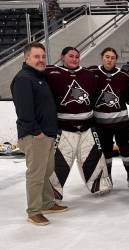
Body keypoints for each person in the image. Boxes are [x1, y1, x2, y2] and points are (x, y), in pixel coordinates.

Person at [11, 42, 67, 226]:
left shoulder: (39, 77)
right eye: (36, 56)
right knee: (36, 174)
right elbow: (24, 111)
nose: (41, 60)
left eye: (43, 56)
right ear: (26, 58)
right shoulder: (23, 79)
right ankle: (34, 211)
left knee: (46, 171)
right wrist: (37, 132)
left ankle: (47, 203)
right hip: (35, 136)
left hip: (47, 133)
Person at [45, 47, 112, 200]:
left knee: (93, 157)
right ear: (62, 57)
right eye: (71, 56)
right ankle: (52, 191)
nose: (74, 59)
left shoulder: (88, 74)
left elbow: (94, 96)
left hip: (87, 127)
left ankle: (98, 184)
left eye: (77, 56)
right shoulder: (51, 72)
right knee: (59, 161)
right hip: (63, 129)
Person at [88, 48, 129, 189]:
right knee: (105, 151)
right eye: (107, 57)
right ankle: (107, 176)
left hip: (121, 122)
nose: (109, 60)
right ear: (102, 57)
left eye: (112, 57)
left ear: (116, 59)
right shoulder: (93, 73)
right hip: (100, 123)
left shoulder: (123, 76)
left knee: (127, 150)